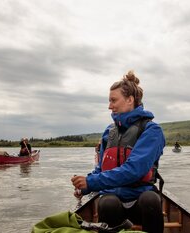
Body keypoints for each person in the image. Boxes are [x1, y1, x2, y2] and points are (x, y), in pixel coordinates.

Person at [71, 70, 166, 233]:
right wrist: (84, 186)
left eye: (113, 100)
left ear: (130, 100)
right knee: (107, 202)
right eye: (109, 101)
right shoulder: (109, 132)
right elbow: (101, 170)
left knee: (151, 199)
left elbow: (134, 170)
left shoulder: (152, 131)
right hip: (113, 203)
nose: (109, 106)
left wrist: (92, 182)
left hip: (141, 204)